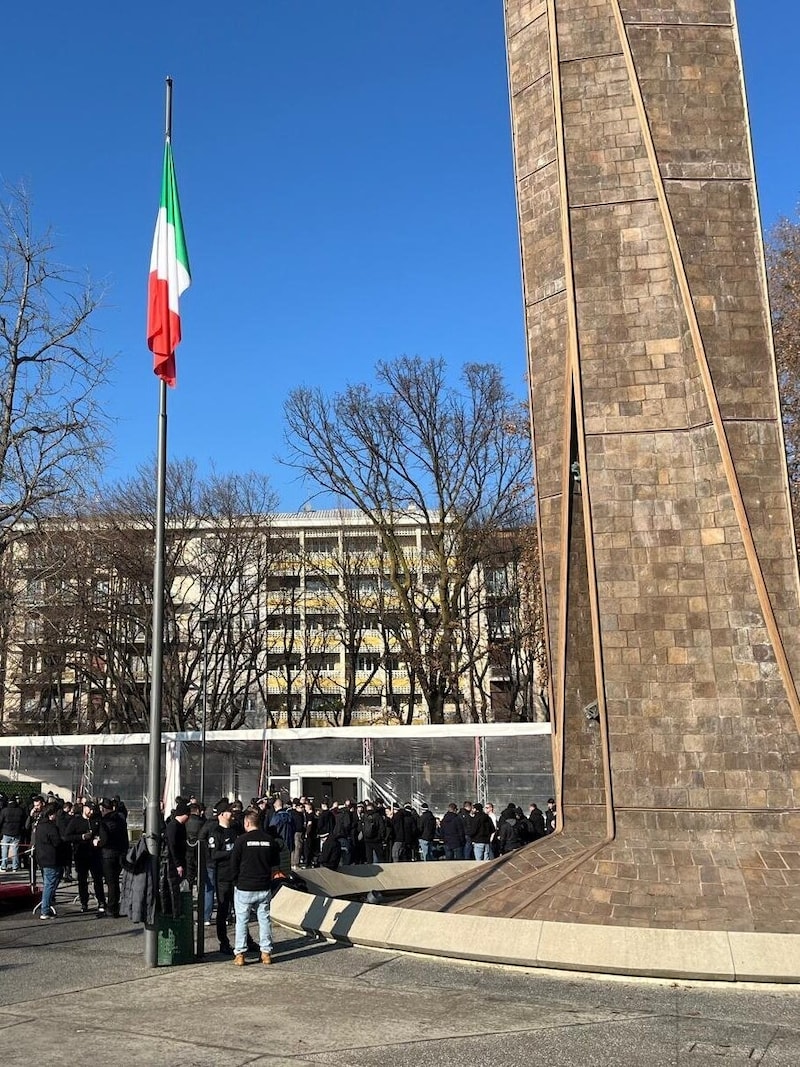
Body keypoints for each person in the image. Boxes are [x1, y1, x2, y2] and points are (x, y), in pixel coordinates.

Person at [229, 807, 281, 966]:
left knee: (242, 921)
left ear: (246, 823)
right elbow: (275, 863)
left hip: (244, 886)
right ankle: (266, 953)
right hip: (264, 886)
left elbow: (234, 865)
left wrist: (235, 881)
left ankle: (240, 954)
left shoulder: (241, 841)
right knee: (264, 920)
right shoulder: (269, 840)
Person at [65, 801, 107, 915]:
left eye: (93, 810)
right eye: (90, 810)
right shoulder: (75, 821)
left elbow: (103, 834)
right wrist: (81, 837)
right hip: (81, 854)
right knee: (82, 880)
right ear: (84, 808)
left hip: (95, 854)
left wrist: (98, 839)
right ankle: (84, 902)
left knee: (97, 879)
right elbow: (67, 836)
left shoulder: (96, 820)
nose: (91, 812)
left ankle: (101, 901)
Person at [34, 802, 67, 919]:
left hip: (42, 858)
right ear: (52, 814)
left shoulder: (39, 825)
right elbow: (57, 842)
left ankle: (46, 905)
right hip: (51, 858)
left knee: (50, 881)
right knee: (50, 884)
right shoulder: (51, 827)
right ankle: (45, 909)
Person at [98, 797, 130, 917]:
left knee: (111, 883)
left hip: (108, 854)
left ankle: (111, 908)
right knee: (115, 882)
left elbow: (105, 840)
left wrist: (98, 842)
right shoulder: (121, 819)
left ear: (104, 809)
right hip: (120, 853)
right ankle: (115, 906)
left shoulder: (104, 821)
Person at [0, 796, 25, 873]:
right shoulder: (20, 811)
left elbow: (0, 821)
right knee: (15, 850)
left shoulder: (4, 811)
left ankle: (3, 866)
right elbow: (23, 822)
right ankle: (15, 867)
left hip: (6, 832)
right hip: (17, 833)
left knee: (4, 850)